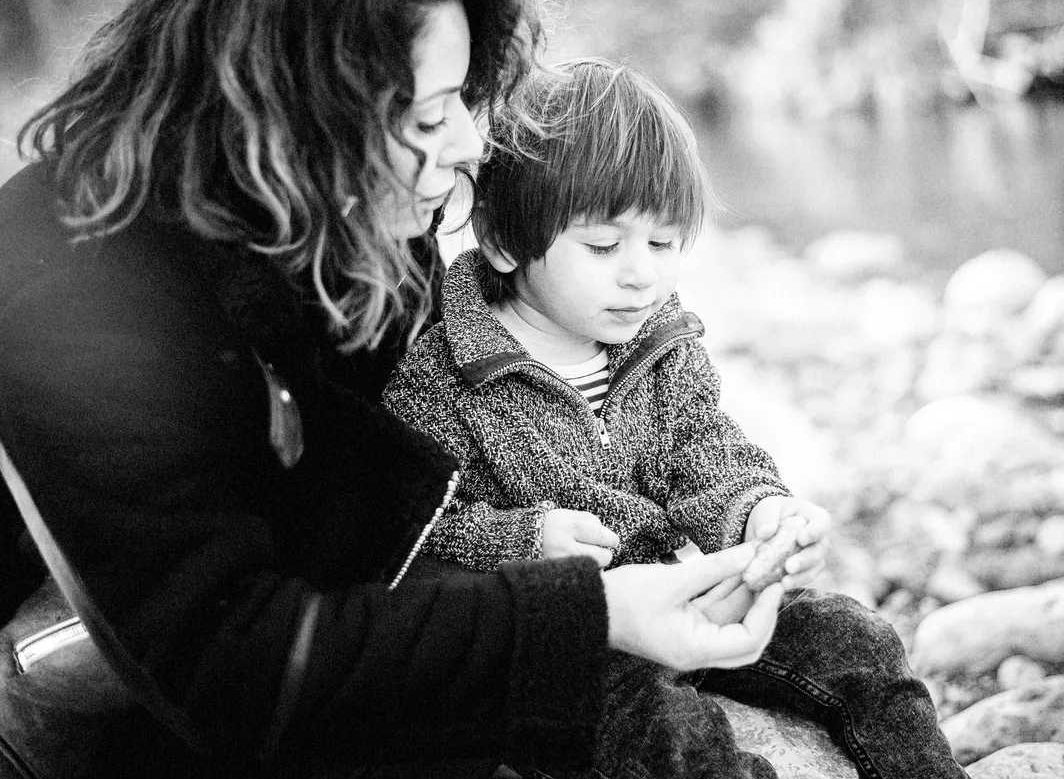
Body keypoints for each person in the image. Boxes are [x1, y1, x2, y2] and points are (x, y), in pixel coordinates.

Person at [0, 0, 790, 777]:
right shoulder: (73, 299)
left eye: (460, 101)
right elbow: (233, 666)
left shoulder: (351, 216)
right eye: (425, 116)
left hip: (291, 626)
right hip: (101, 684)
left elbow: (368, 529)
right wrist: (592, 613)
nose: (469, 147)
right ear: (301, 110)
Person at [384, 58, 969, 779]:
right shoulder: (443, 372)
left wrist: (760, 514)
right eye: (605, 246)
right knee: (664, 728)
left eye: (663, 244)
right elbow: (411, 534)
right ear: (505, 242)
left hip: (681, 595)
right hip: (574, 640)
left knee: (857, 637)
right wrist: (523, 538)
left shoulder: (659, 344)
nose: (642, 274)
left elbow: (705, 448)